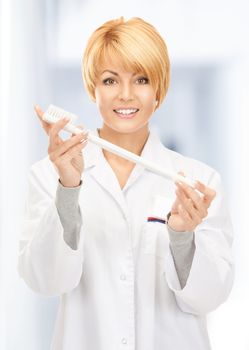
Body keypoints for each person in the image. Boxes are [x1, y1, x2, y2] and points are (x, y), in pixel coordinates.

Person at [18, 16, 234, 350]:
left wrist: (181, 238)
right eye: (109, 80)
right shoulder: (50, 176)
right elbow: (45, 280)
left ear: (158, 89)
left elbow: (210, 296)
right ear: (93, 88)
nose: (126, 95)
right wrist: (68, 189)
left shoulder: (199, 181)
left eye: (142, 79)